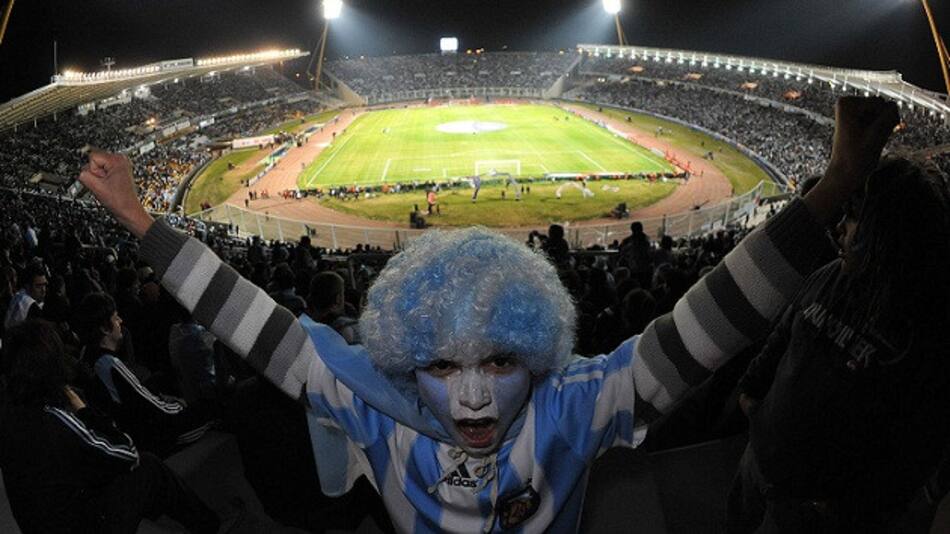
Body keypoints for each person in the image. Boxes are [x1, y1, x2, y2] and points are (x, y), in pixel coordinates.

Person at [78, 97, 897, 533]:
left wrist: (834, 188)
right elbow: (253, 321)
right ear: (405, 356)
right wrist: (142, 225)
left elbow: (707, 327)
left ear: (538, 350)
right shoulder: (571, 401)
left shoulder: (375, 396)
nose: (471, 400)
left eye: (499, 361)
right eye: (442, 366)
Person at [727, 155, 950, 533]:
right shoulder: (832, 274)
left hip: (811, 509)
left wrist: (842, 507)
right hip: (760, 458)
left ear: (886, 232)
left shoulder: (925, 332)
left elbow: (919, 448)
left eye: (853, 218)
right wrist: (750, 394)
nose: (839, 230)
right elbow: (785, 335)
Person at [0, 320, 221, 533]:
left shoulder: (12, 416)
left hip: (48, 521)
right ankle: (209, 525)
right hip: (81, 523)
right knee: (149, 467)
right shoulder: (55, 419)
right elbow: (128, 453)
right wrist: (83, 411)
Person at [74, 293, 215, 457]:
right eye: (115, 317)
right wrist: (180, 405)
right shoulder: (109, 364)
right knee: (211, 409)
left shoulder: (87, 356)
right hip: (154, 435)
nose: (120, 321)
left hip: (136, 430)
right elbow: (153, 408)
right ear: (105, 328)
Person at [3, 263, 47, 330]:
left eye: (44, 285)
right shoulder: (31, 306)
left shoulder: (19, 295)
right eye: (38, 286)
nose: (43, 290)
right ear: (27, 286)